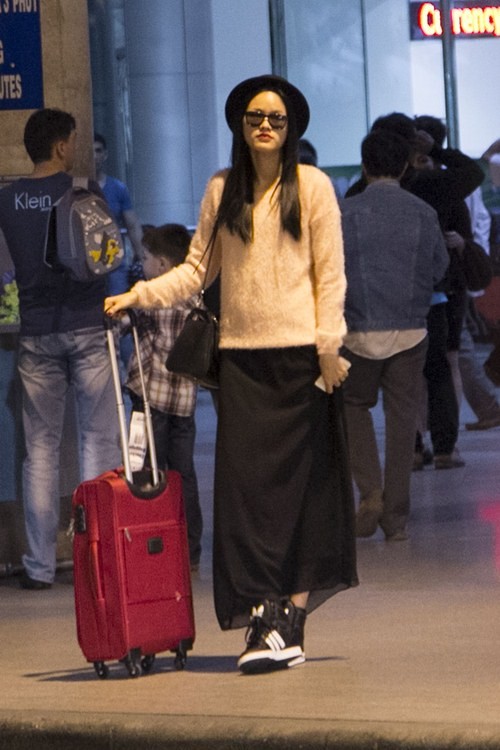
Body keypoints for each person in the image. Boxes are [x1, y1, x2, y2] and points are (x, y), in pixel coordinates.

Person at [105, 74, 358, 674]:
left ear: (291, 127)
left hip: (303, 361)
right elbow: (196, 271)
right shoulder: (222, 188)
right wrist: (138, 294)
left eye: (275, 118)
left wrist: (329, 345)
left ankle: (289, 619)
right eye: (254, 117)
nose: (265, 126)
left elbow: (331, 273)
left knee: (305, 493)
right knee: (246, 499)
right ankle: (263, 612)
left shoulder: (313, 186)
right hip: (242, 363)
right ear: (240, 127)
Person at [0, 108, 120, 589]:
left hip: (35, 333)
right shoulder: (86, 191)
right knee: (97, 442)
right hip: (88, 325)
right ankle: (97, 559)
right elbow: (109, 256)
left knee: (40, 451)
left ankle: (39, 566)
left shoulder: (7, 199)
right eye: (73, 140)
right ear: (61, 146)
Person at [340, 129, 449, 540]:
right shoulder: (423, 212)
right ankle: (397, 519)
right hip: (411, 331)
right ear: (405, 167)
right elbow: (439, 268)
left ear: (364, 166)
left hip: (357, 331)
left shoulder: (344, 212)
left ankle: (371, 492)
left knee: (352, 405)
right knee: (403, 421)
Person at [125, 224, 203, 570]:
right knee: (184, 473)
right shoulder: (194, 297)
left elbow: (126, 321)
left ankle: (152, 543)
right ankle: (191, 548)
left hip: (150, 398)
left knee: (147, 471)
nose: (141, 264)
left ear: (162, 265)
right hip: (183, 403)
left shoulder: (154, 298)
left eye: (145, 258)